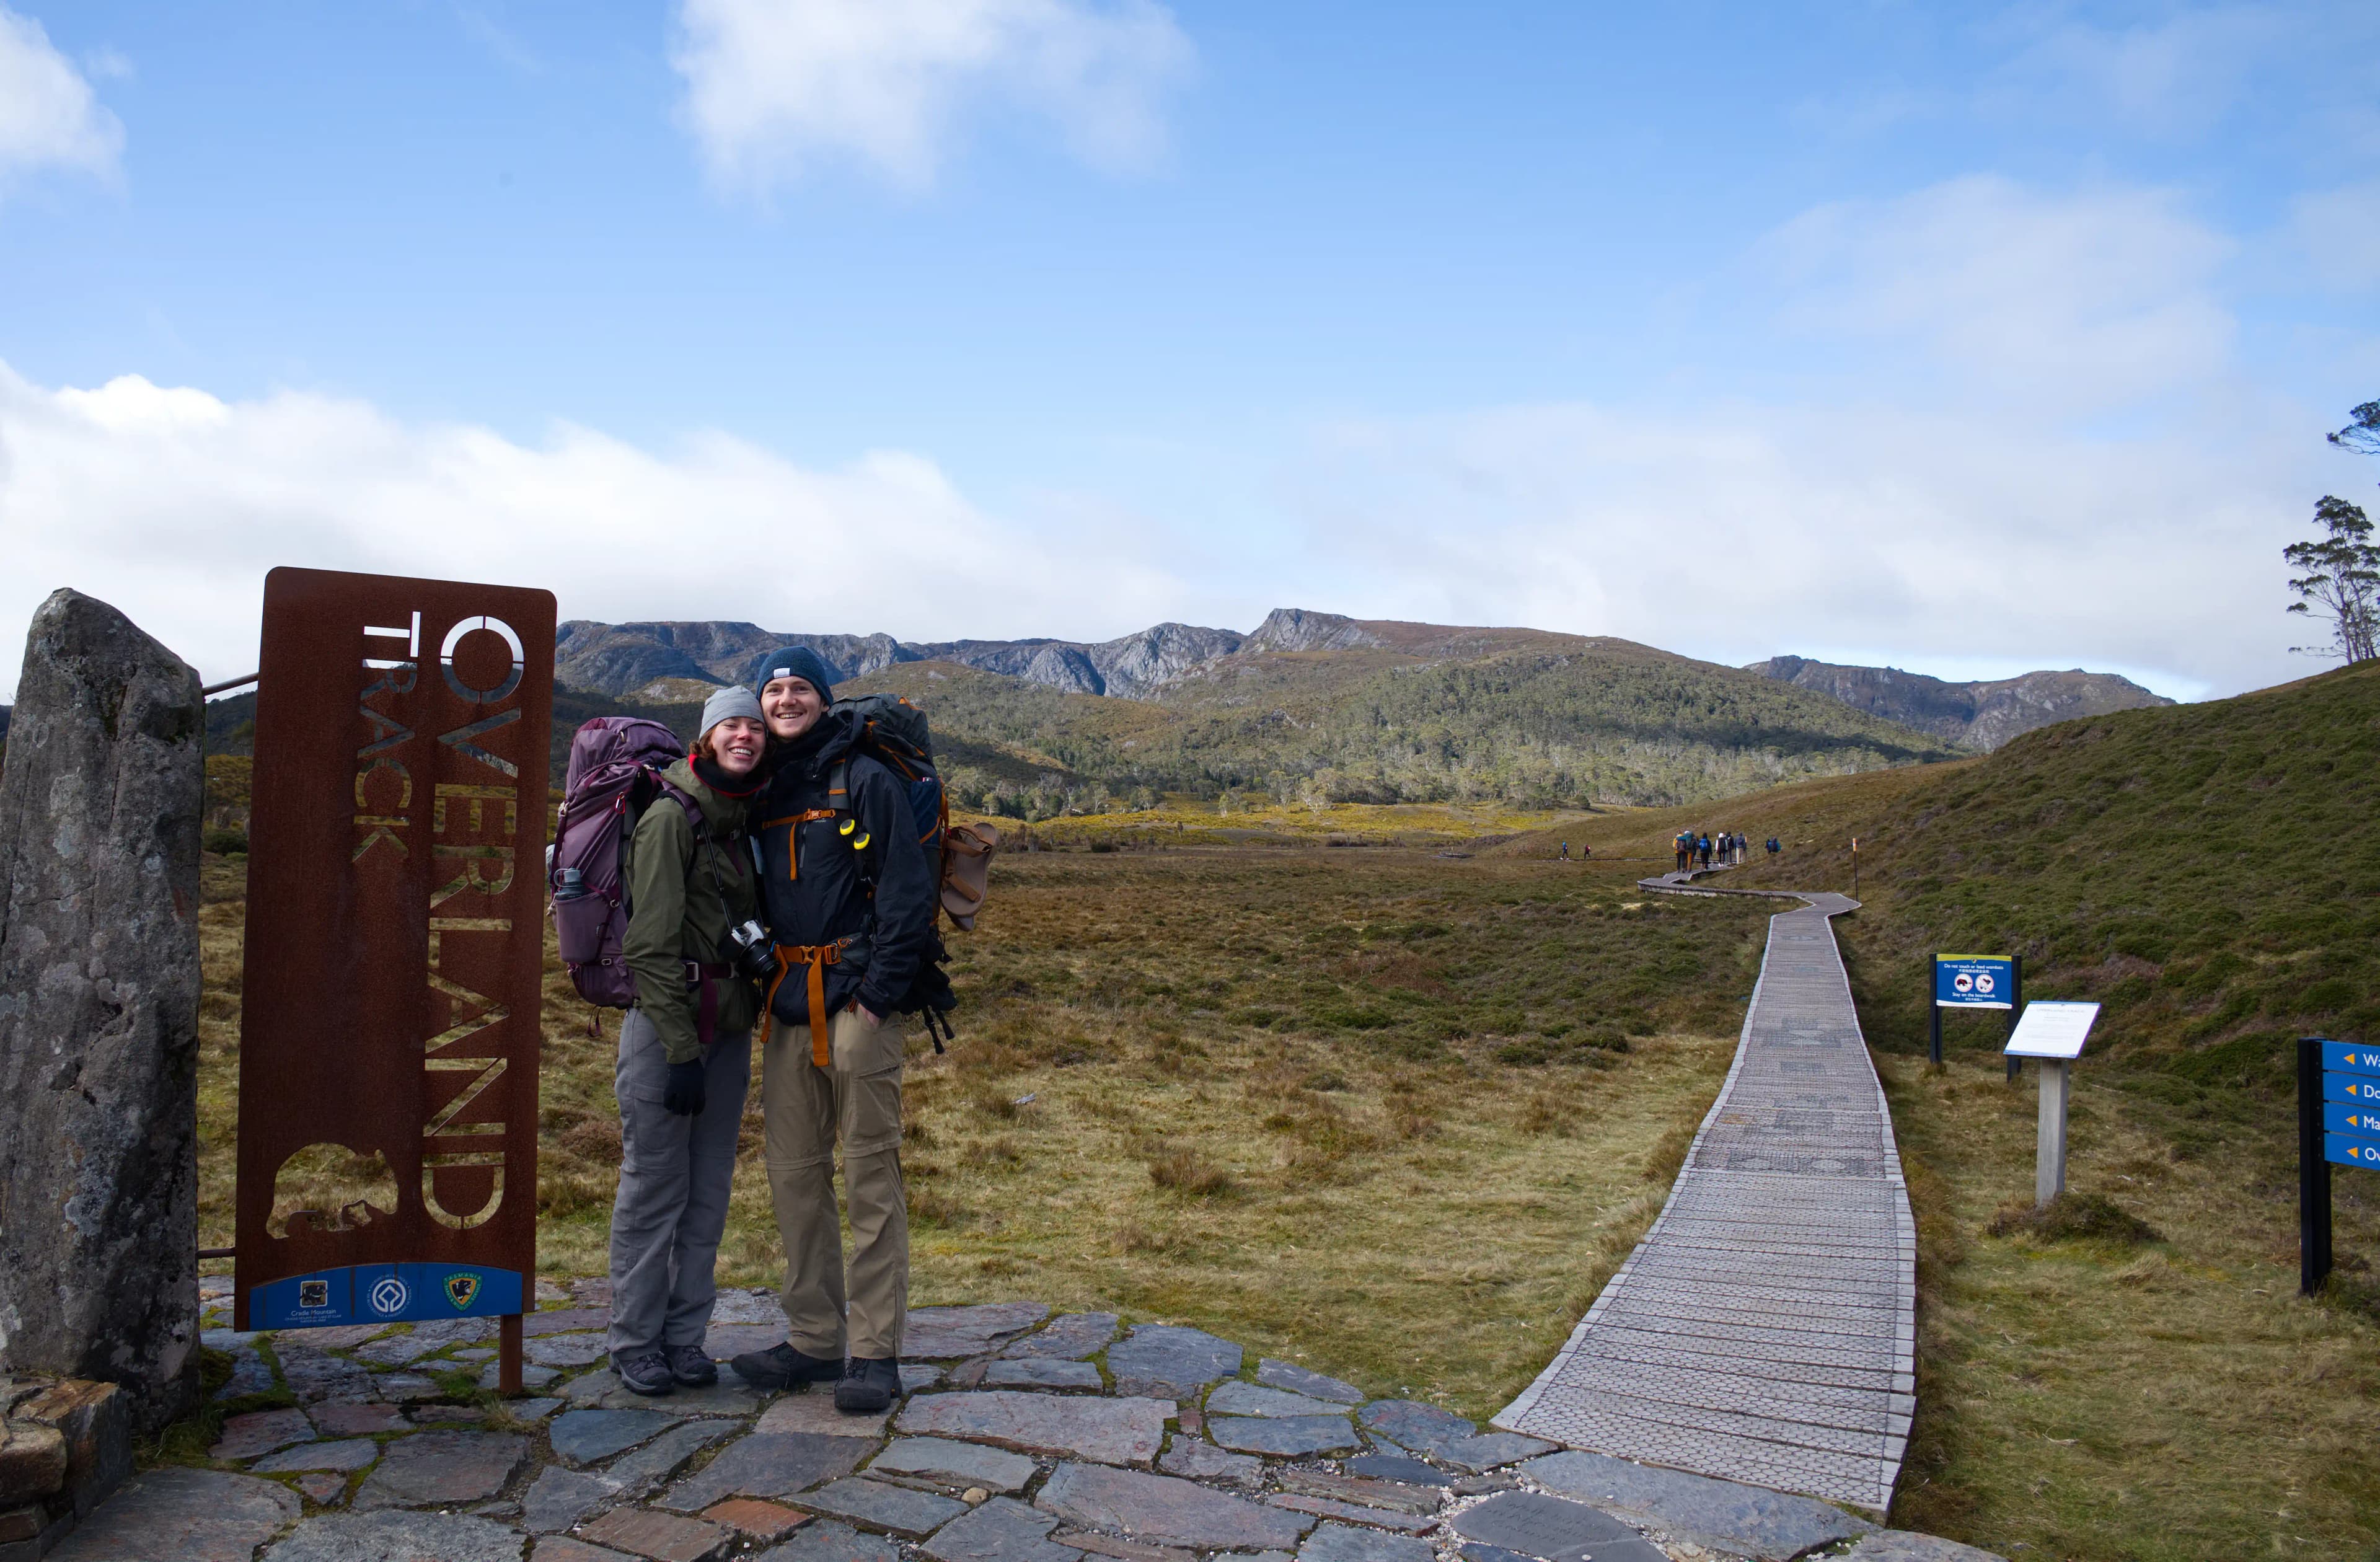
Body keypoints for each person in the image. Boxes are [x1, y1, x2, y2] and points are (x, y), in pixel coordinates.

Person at [729, 648, 939, 1415]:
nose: (786, 701)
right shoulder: (765, 786)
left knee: (870, 1177)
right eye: (774, 690)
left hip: (858, 1008)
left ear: (824, 698)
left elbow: (908, 896)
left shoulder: (866, 779)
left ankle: (876, 1354)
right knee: (793, 1177)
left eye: (800, 689)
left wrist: (878, 1001)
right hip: (785, 1007)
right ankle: (815, 1340)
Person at [607, 687, 769, 1397]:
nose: (744, 735)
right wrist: (678, 1051)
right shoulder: (672, 818)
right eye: (730, 725)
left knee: (708, 1193)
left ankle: (685, 1340)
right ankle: (636, 1344)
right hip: (670, 1031)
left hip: (728, 1031)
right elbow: (647, 947)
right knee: (654, 1190)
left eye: (753, 726)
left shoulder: (740, 818)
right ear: (705, 738)